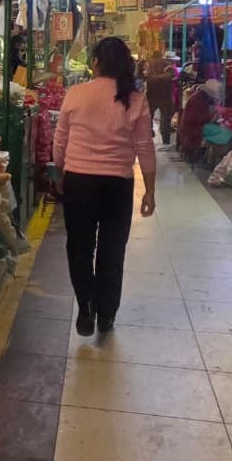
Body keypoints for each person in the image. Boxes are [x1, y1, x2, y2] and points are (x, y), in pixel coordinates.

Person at [54, 37, 157, 337]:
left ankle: (85, 306)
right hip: (117, 186)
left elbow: (61, 140)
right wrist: (149, 190)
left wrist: (60, 171)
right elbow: (145, 147)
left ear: (96, 62)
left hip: (79, 182)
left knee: (80, 247)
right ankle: (106, 315)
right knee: (112, 252)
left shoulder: (76, 93)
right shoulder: (135, 99)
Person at [143, 48, 175, 149]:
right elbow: (170, 76)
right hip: (165, 95)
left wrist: (153, 79)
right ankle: (166, 140)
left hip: (152, 95)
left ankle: (149, 137)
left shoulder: (149, 64)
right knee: (166, 119)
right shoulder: (167, 64)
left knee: (148, 117)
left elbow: (146, 77)